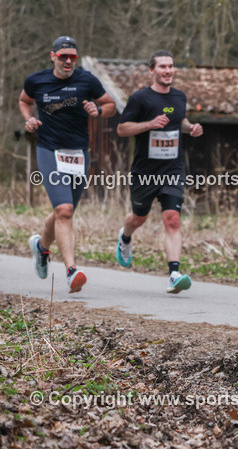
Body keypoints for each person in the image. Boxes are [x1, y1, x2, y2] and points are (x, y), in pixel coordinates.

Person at [21, 36, 116, 292]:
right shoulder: (36, 80)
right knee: (64, 210)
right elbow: (24, 101)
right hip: (49, 149)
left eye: (72, 56)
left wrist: (98, 110)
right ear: (53, 56)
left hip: (77, 153)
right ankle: (71, 270)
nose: (67, 61)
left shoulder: (87, 80)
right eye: (62, 56)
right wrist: (29, 119)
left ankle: (41, 248)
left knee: (66, 210)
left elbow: (110, 105)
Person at [115, 50, 203, 294]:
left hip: (172, 169)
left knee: (172, 219)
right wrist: (149, 124)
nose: (168, 71)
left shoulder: (179, 97)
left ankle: (174, 273)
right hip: (145, 171)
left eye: (171, 66)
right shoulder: (141, 98)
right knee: (139, 218)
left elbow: (179, 122)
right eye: (163, 67)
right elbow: (122, 129)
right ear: (152, 70)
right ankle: (125, 236)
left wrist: (191, 128)